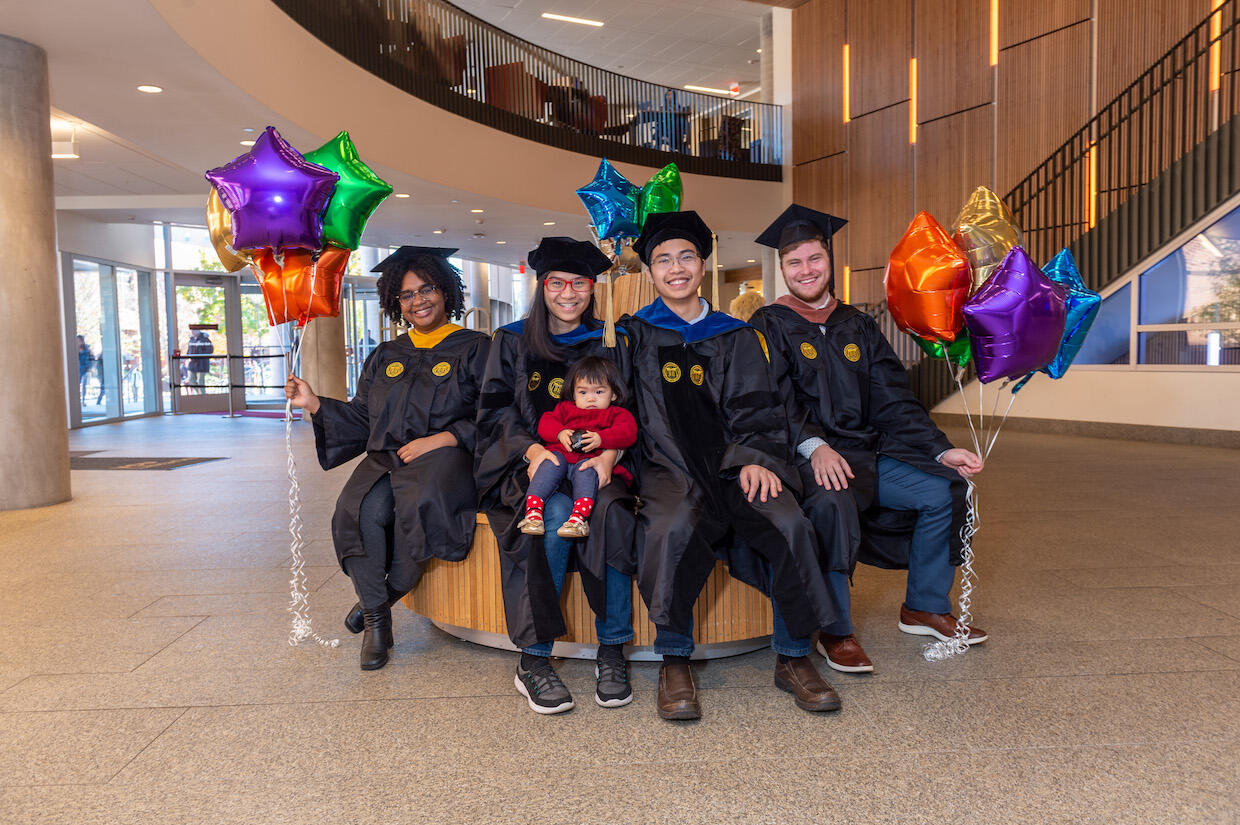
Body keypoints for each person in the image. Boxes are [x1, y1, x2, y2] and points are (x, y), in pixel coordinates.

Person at [621, 210, 842, 721]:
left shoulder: (737, 335)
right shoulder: (635, 336)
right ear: (650, 272)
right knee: (671, 527)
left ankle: (793, 656)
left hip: (733, 466)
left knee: (788, 521)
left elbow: (760, 406)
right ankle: (674, 659)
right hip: (669, 469)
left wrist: (754, 457)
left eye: (686, 257)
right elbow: (623, 410)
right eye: (663, 260)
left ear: (703, 264)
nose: (676, 268)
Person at [748, 204, 988, 674]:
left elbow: (894, 399)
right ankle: (835, 630)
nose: (805, 271)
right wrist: (815, 447)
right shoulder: (768, 324)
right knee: (833, 505)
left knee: (941, 490)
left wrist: (941, 448)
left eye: (814, 259)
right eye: (794, 263)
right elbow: (774, 401)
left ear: (828, 261)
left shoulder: (856, 323)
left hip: (867, 454)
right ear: (782, 270)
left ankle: (923, 605)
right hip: (807, 458)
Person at [285, 246, 490, 670]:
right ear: (395, 303)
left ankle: (378, 603)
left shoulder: (476, 348)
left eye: (427, 289)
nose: (419, 301)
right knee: (355, 511)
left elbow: (497, 414)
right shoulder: (386, 355)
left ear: (445, 290)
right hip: (388, 456)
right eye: (407, 295)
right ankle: (379, 622)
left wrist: (446, 439)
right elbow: (364, 415)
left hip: (448, 457)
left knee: (422, 505)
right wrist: (315, 404)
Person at [476, 236, 638, 715]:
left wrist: (610, 455)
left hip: (600, 466)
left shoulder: (610, 343)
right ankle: (534, 657)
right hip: (533, 467)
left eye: (580, 283)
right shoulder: (510, 341)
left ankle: (612, 648)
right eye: (557, 283)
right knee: (552, 513)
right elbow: (493, 413)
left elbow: (635, 412)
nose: (569, 293)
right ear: (541, 286)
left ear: (592, 287)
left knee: (609, 514)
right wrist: (529, 451)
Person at [520, 356, 638, 538]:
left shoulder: (615, 413)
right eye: (583, 392)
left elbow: (628, 432)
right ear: (574, 393)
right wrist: (559, 432)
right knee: (550, 463)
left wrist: (602, 438)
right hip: (561, 455)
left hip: (589, 460)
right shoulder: (565, 409)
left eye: (599, 392)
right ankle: (533, 512)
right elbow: (545, 423)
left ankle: (579, 519)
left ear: (613, 394)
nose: (591, 398)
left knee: (587, 471)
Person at [76, 336, 94, 405]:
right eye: (77, 341)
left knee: (84, 386)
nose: (78, 343)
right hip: (77, 371)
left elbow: (91, 359)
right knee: (77, 386)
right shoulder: (74, 350)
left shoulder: (87, 350)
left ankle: (83, 400)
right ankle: (78, 400)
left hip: (85, 370)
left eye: (79, 341)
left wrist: (89, 367)